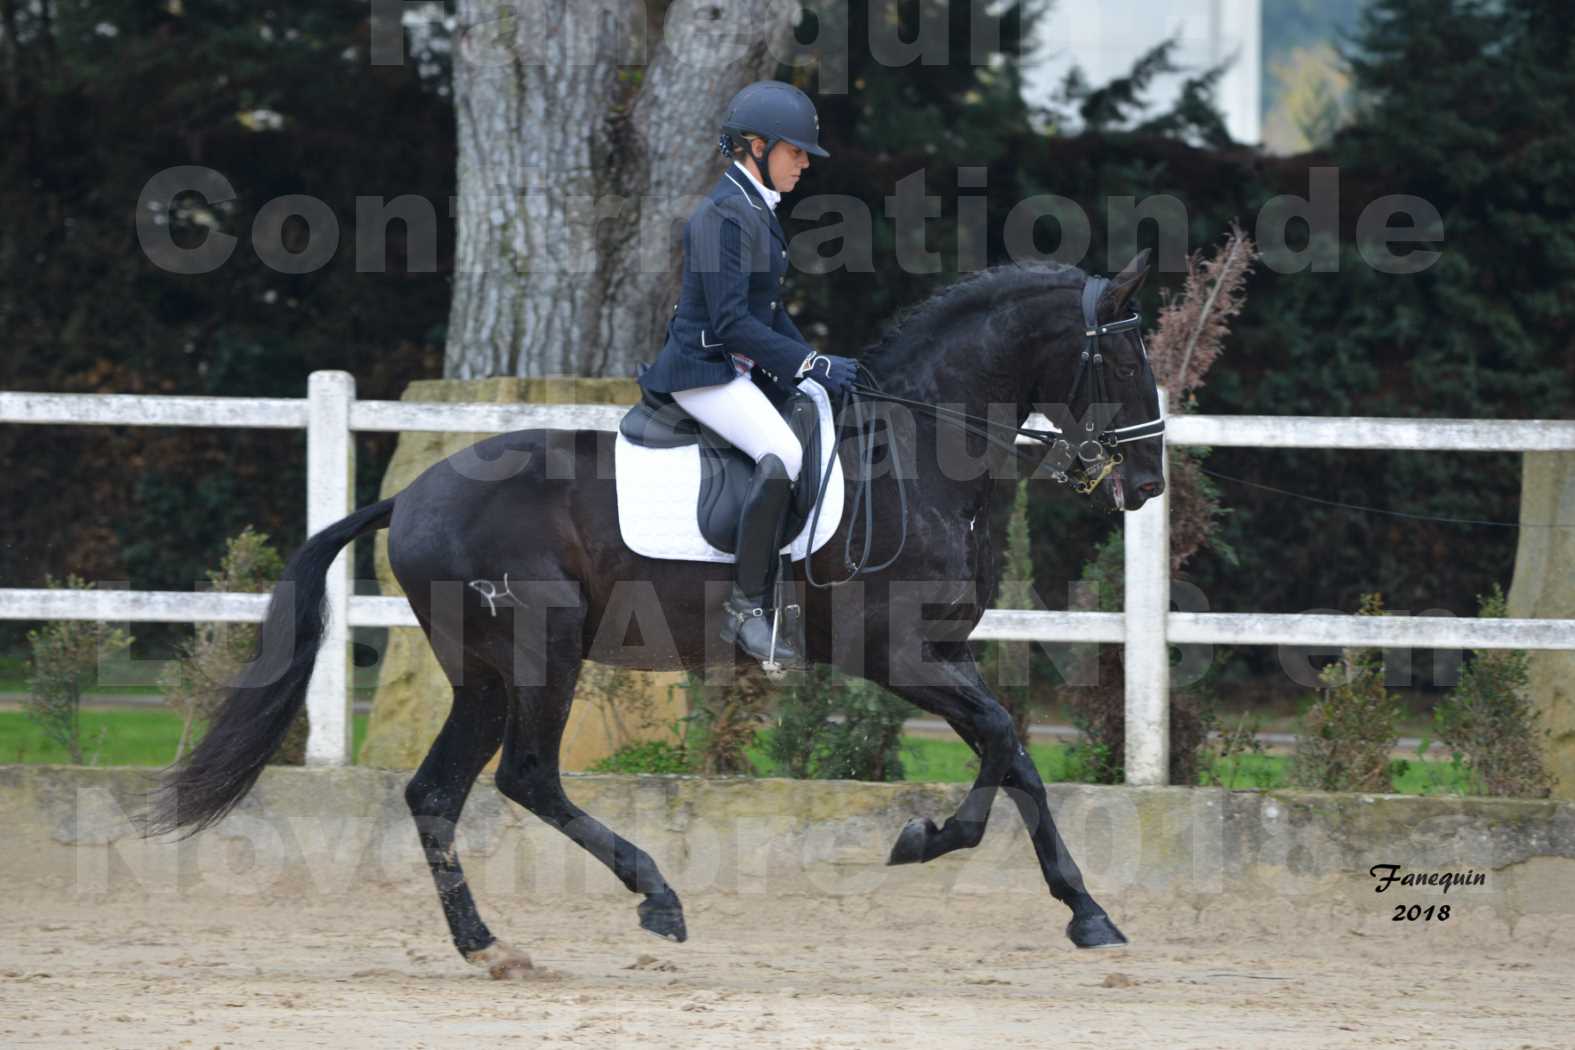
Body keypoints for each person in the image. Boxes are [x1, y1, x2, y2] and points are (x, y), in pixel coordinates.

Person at [638, 79, 858, 667]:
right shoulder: (724, 216)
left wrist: (812, 367)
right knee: (782, 453)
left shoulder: (756, 209)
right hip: (704, 370)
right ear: (756, 146)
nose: (805, 163)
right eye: (795, 151)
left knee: (817, 407)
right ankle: (747, 611)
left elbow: (769, 312)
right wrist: (808, 363)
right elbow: (733, 322)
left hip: (738, 366)